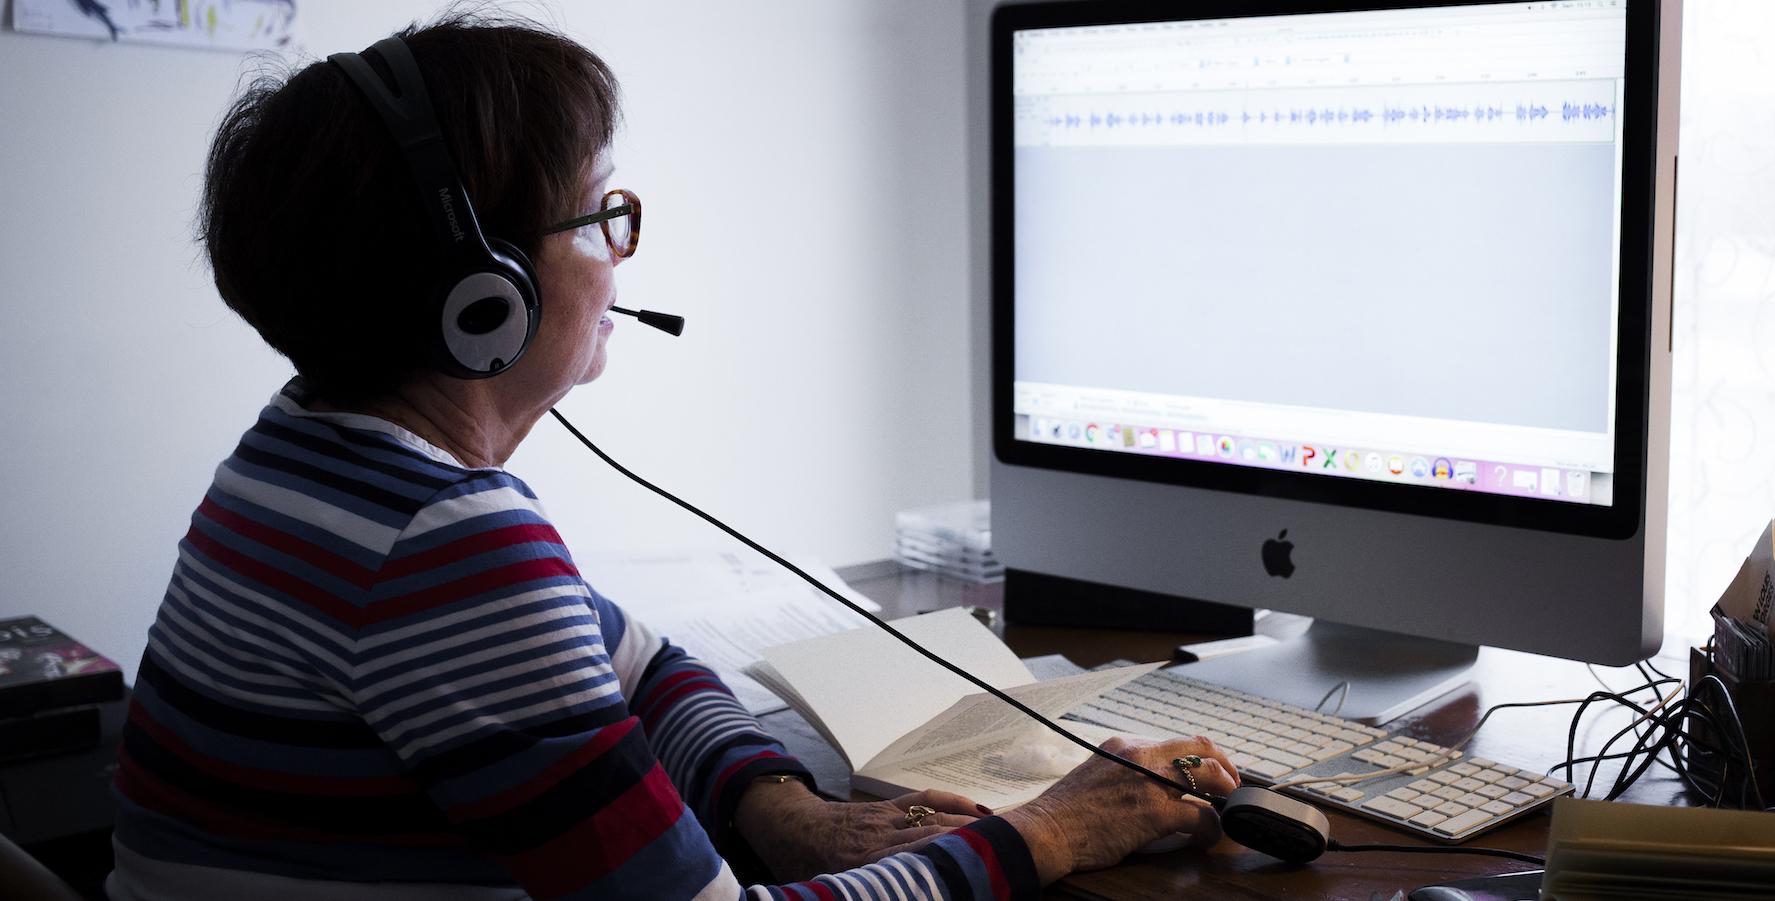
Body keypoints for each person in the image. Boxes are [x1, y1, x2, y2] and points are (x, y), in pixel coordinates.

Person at [107, 14, 1237, 900]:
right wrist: (1047, 830)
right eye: (598, 214)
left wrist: (773, 803)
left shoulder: (304, 456)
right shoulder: (445, 544)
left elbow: (639, 665)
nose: (616, 251)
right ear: (482, 297)